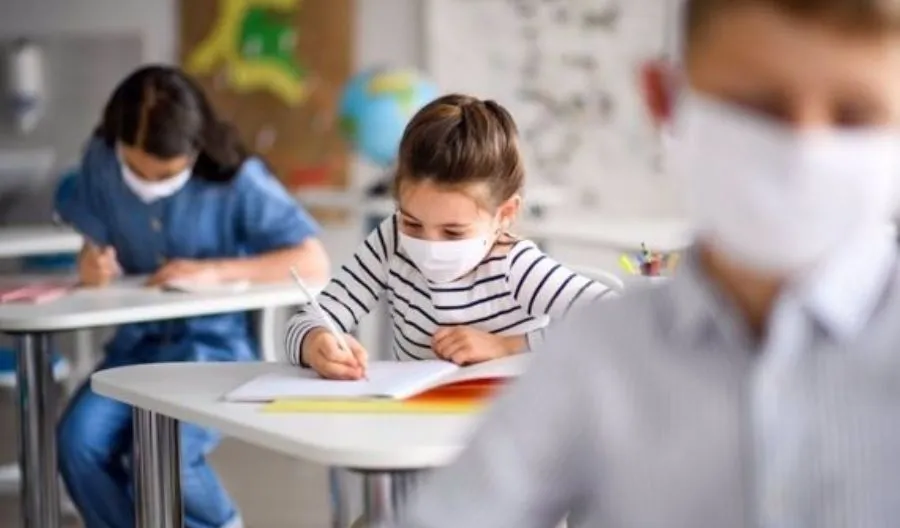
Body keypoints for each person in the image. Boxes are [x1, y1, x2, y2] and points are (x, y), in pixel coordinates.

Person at [392, 0, 900, 526]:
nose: (803, 150)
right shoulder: (593, 357)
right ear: (665, 100)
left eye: (856, 115)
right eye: (758, 107)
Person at [56, 65, 329, 528]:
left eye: (164, 173)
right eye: (136, 170)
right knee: (77, 442)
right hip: (134, 352)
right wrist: (91, 264)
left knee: (162, 456)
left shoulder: (239, 180)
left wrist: (216, 270)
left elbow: (312, 260)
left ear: (194, 147)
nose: (148, 183)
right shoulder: (101, 163)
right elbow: (93, 236)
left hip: (215, 352)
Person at [284, 94, 613, 378]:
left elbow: (617, 320)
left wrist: (507, 345)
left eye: (453, 232)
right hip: (416, 430)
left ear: (505, 214)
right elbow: (311, 318)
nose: (428, 245)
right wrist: (316, 342)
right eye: (412, 223)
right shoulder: (390, 241)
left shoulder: (515, 266)